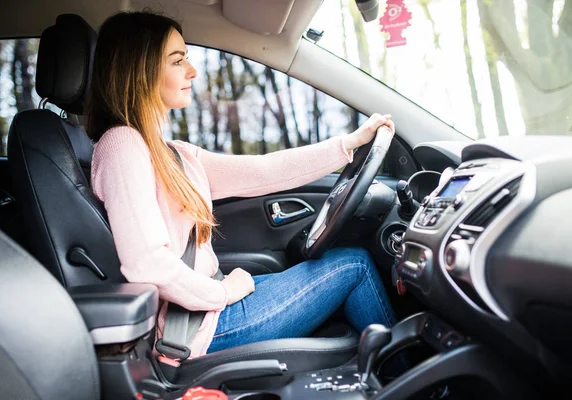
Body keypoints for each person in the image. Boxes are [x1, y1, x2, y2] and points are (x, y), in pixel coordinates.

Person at [85, 10, 396, 365]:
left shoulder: (171, 152)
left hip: (202, 313)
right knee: (352, 266)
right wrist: (221, 292)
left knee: (347, 266)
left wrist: (349, 145)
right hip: (189, 331)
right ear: (139, 71)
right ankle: (416, 383)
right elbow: (146, 264)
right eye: (177, 60)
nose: (192, 71)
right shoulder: (122, 145)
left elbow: (263, 171)